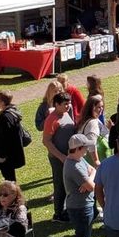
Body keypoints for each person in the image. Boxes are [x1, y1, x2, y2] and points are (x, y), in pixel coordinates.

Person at [63, 134, 99, 237]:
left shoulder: (77, 159)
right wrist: (90, 179)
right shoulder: (75, 166)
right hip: (81, 208)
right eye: (84, 147)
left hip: (81, 206)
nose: (87, 150)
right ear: (77, 149)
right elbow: (92, 186)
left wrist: (91, 176)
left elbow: (92, 171)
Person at [42, 92, 75, 223]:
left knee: (69, 183)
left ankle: (67, 210)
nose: (68, 106)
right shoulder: (51, 119)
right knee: (60, 184)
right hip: (58, 158)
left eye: (69, 103)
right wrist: (61, 156)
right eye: (65, 104)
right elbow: (46, 141)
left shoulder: (67, 113)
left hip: (69, 156)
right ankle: (58, 213)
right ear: (56, 104)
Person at [0, 90, 28, 183]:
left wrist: (2, 155)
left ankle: (12, 191)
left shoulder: (6, 116)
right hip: (11, 152)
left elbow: (5, 138)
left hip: (7, 154)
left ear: (2, 102)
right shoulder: (11, 112)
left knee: (9, 176)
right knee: (9, 175)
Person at [75, 95, 106, 167]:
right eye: (99, 107)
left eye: (102, 106)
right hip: (91, 163)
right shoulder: (92, 123)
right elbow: (91, 143)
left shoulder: (86, 119)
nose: (101, 109)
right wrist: (96, 161)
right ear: (92, 108)